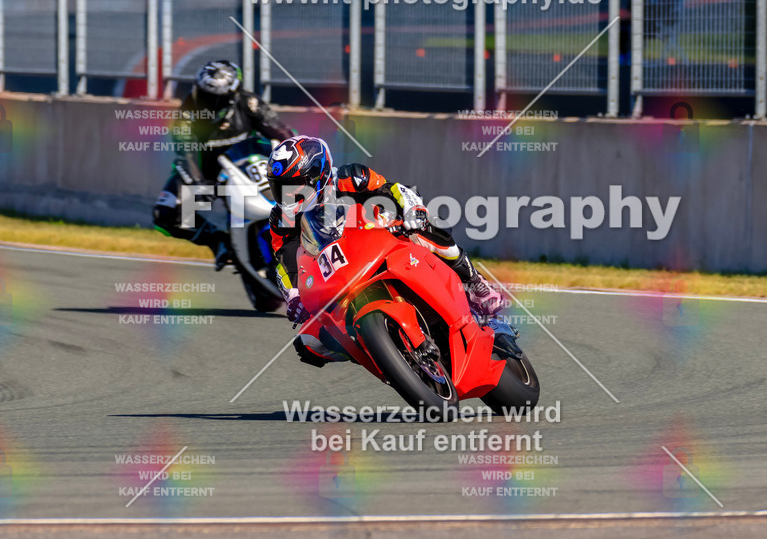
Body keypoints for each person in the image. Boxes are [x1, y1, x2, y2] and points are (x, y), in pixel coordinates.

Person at [265, 135, 505, 366]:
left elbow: (395, 190)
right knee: (308, 343)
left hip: (382, 239)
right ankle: (379, 351)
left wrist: (414, 210)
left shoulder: (351, 177)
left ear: (317, 175)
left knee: (426, 228)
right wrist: (293, 296)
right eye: (280, 188)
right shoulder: (281, 218)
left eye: (292, 186)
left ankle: (475, 283)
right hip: (336, 275)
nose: (287, 195)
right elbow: (284, 261)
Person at [153, 60, 295, 269]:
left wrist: (297, 154)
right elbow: (187, 153)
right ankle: (219, 241)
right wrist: (197, 184)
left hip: (248, 166)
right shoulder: (188, 113)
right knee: (163, 213)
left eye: (213, 99)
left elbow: (282, 132)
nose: (206, 102)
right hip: (207, 176)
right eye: (202, 93)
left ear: (231, 96)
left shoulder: (248, 103)